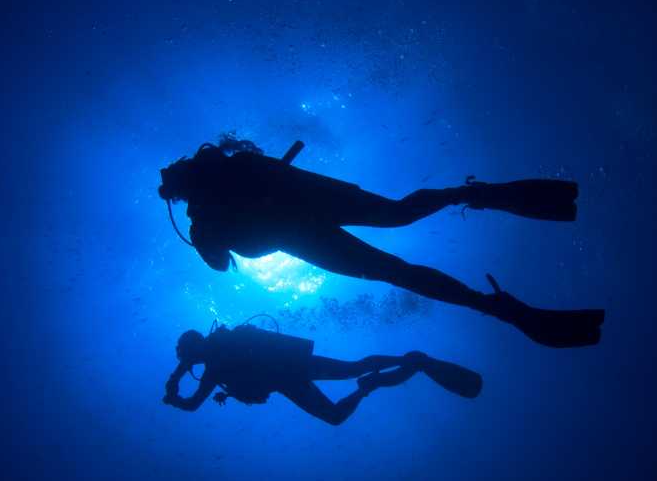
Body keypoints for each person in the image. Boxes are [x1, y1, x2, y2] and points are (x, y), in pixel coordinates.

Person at [157, 135, 605, 348]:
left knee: (396, 268)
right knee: (397, 217)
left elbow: (222, 263)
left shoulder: (204, 219)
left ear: (179, 192)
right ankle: (471, 195)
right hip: (310, 208)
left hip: (300, 232)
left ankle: (491, 304)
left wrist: (204, 233)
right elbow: (266, 169)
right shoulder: (227, 172)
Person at [161, 323, 482, 425]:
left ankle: (386, 375)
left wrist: (175, 386)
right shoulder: (214, 366)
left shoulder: (214, 366)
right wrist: (178, 379)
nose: (191, 361)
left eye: (189, 356)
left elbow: (191, 405)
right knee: (351, 376)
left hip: (289, 372)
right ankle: (387, 373)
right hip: (291, 373)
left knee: (341, 399)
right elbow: (193, 403)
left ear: (194, 349)